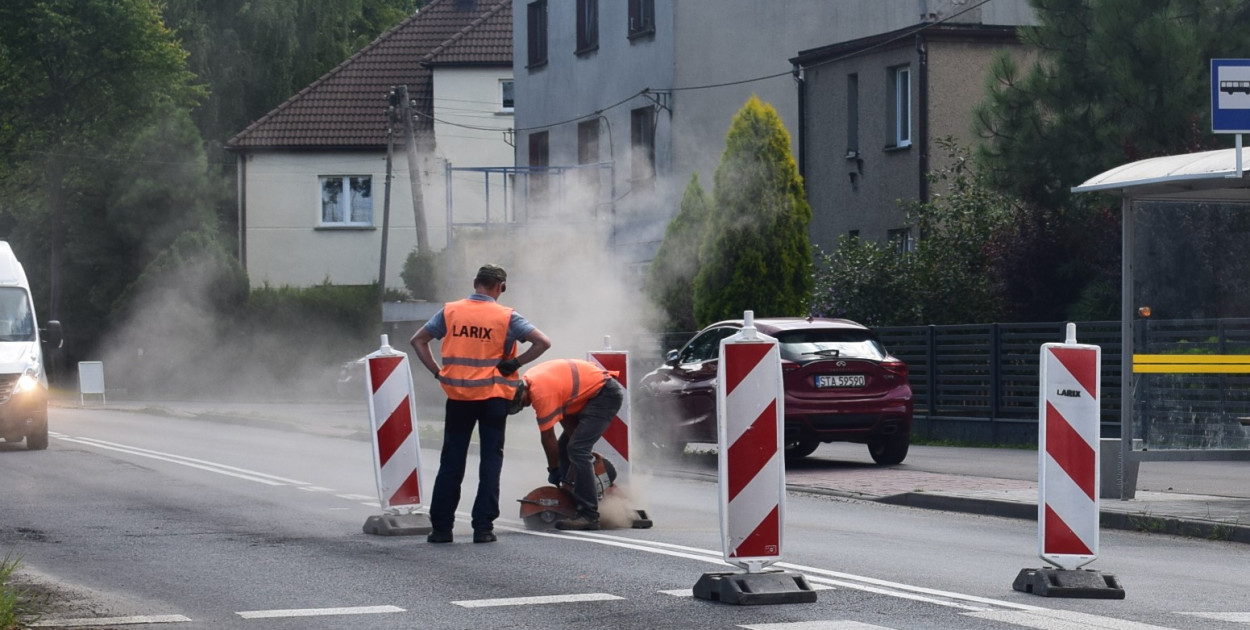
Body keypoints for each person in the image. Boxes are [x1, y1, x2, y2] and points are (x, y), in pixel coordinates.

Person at [410, 264, 551, 543]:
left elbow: (418, 341)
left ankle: (441, 529)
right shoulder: (506, 316)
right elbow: (542, 342)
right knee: (490, 462)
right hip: (493, 400)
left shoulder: (451, 311)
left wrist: (437, 372)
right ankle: (483, 528)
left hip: (458, 398)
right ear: (501, 287)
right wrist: (516, 361)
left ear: (476, 283)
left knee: (451, 462)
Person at [508, 358, 624, 531]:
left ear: (521, 393)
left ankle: (588, 515)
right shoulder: (529, 379)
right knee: (569, 447)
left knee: (577, 450)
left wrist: (554, 470)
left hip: (604, 396)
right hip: (589, 395)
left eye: (521, 404)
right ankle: (578, 495)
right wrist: (565, 471)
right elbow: (564, 413)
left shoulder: (541, 393)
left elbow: (548, 437)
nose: (524, 406)